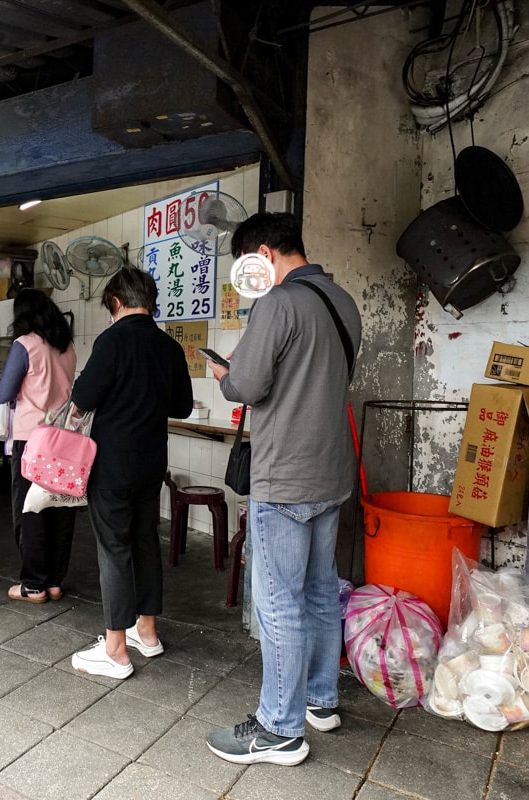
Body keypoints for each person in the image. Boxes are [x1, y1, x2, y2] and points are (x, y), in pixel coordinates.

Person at [203, 212, 361, 766]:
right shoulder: (342, 301)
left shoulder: (277, 302)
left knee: (278, 604)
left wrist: (224, 376)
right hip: (331, 474)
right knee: (319, 592)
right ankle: (321, 699)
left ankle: (278, 729)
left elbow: (246, 385)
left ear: (264, 254)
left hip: (285, 476)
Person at [69, 267, 193, 679]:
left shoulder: (112, 341)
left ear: (117, 303)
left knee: (114, 548)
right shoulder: (169, 346)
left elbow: (83, 397)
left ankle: (116, 650)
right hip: (151, 464)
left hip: (112, 466)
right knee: (145, 541)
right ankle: (147, 632)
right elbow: (182, 406)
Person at [0, 289, 78, 604]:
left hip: (32, 440)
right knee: (60, 509)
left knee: (31, 510)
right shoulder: (67, 347)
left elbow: (4, 392)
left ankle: (33, 584)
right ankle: (54, 581)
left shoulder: (25, 344)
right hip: (65, 440)